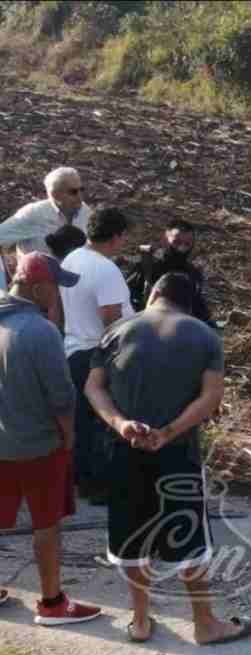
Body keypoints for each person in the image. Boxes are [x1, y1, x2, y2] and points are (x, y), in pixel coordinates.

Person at [85, 272, 251, 644]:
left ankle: (141, 622)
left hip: (123, 450)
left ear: (154, 293)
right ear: (188, 303)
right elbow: (211, 397)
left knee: (131, 536)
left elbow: (93, 387)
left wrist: (121, 424)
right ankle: (205, 623)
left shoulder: (116, 330)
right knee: (189, 537)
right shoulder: (204, 335)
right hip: (177, 453)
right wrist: (168, 432)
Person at [0, 253, 102, 625]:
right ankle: (52, 603)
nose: (57, 295)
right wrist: (70, 435)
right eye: (56, 288)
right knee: (46, 524)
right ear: (39, 287)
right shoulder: (40, 331)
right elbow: (61, 396)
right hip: (39, 446)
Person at [60, 207, 135, 504]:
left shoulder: (72, 259)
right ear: (116, 237)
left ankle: (80, 479)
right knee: (103, 421)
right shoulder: (105, 269)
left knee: (82, 422)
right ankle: (98, 486)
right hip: (98, 351)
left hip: (74, 346)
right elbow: (111, 318)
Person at [0, 168, 92, 292]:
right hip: (35, 294)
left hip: (72, 290)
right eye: (73, 192)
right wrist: (3, 284)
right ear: (55, 193)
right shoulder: (34, 214)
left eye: (82, 190)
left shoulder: (85, 213)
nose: (80, 196)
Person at [127, 219, 214, 327]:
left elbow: (199, 309)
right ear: (165, 240)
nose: (182, 248)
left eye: (187, 244)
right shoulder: (148, 267)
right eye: (176, 242)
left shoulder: (194, 274)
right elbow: (125, 301)